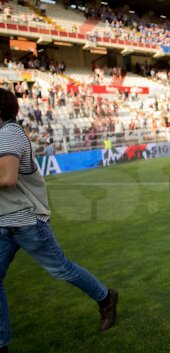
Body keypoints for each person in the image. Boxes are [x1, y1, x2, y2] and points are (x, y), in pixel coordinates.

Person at [0, 88, 118, 353]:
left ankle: (105, 297)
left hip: (26, 220)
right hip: (4, 221)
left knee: (61, 269)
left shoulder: (8, 132)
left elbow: (6, 178)